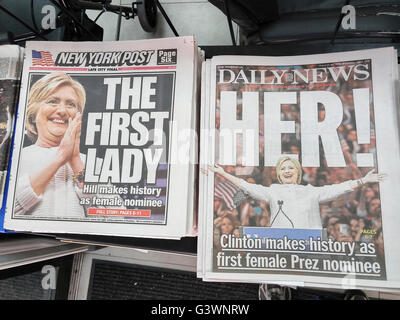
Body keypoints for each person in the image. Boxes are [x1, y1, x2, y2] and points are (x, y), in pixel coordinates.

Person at [208, 156, 386, 229]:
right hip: (280, 246)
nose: (286, 170)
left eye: (291, 167)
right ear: (278, 174)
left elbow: (336, 189)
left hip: (308, 246)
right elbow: (247, 186)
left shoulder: (310, 192)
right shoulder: (273, 191)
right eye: (283, 168)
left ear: (298, 172)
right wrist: (223, 173)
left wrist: (362, 181)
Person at [15, 73, 96, 217]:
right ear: (33, 113)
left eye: (71, 104)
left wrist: (75, 159)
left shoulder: (93, 163)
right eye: (53, 101)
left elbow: (114, 217)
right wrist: (59, 159)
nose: (62, 111)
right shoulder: (16, 159)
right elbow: (7, 212)